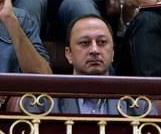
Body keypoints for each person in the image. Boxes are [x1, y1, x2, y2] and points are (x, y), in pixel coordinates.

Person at [24, 15, 152, 116]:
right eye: (85, 43)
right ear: (69, 54)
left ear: (112, 54)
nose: (95, 50)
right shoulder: (43, 102)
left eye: (102, 42)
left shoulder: (138, 104)